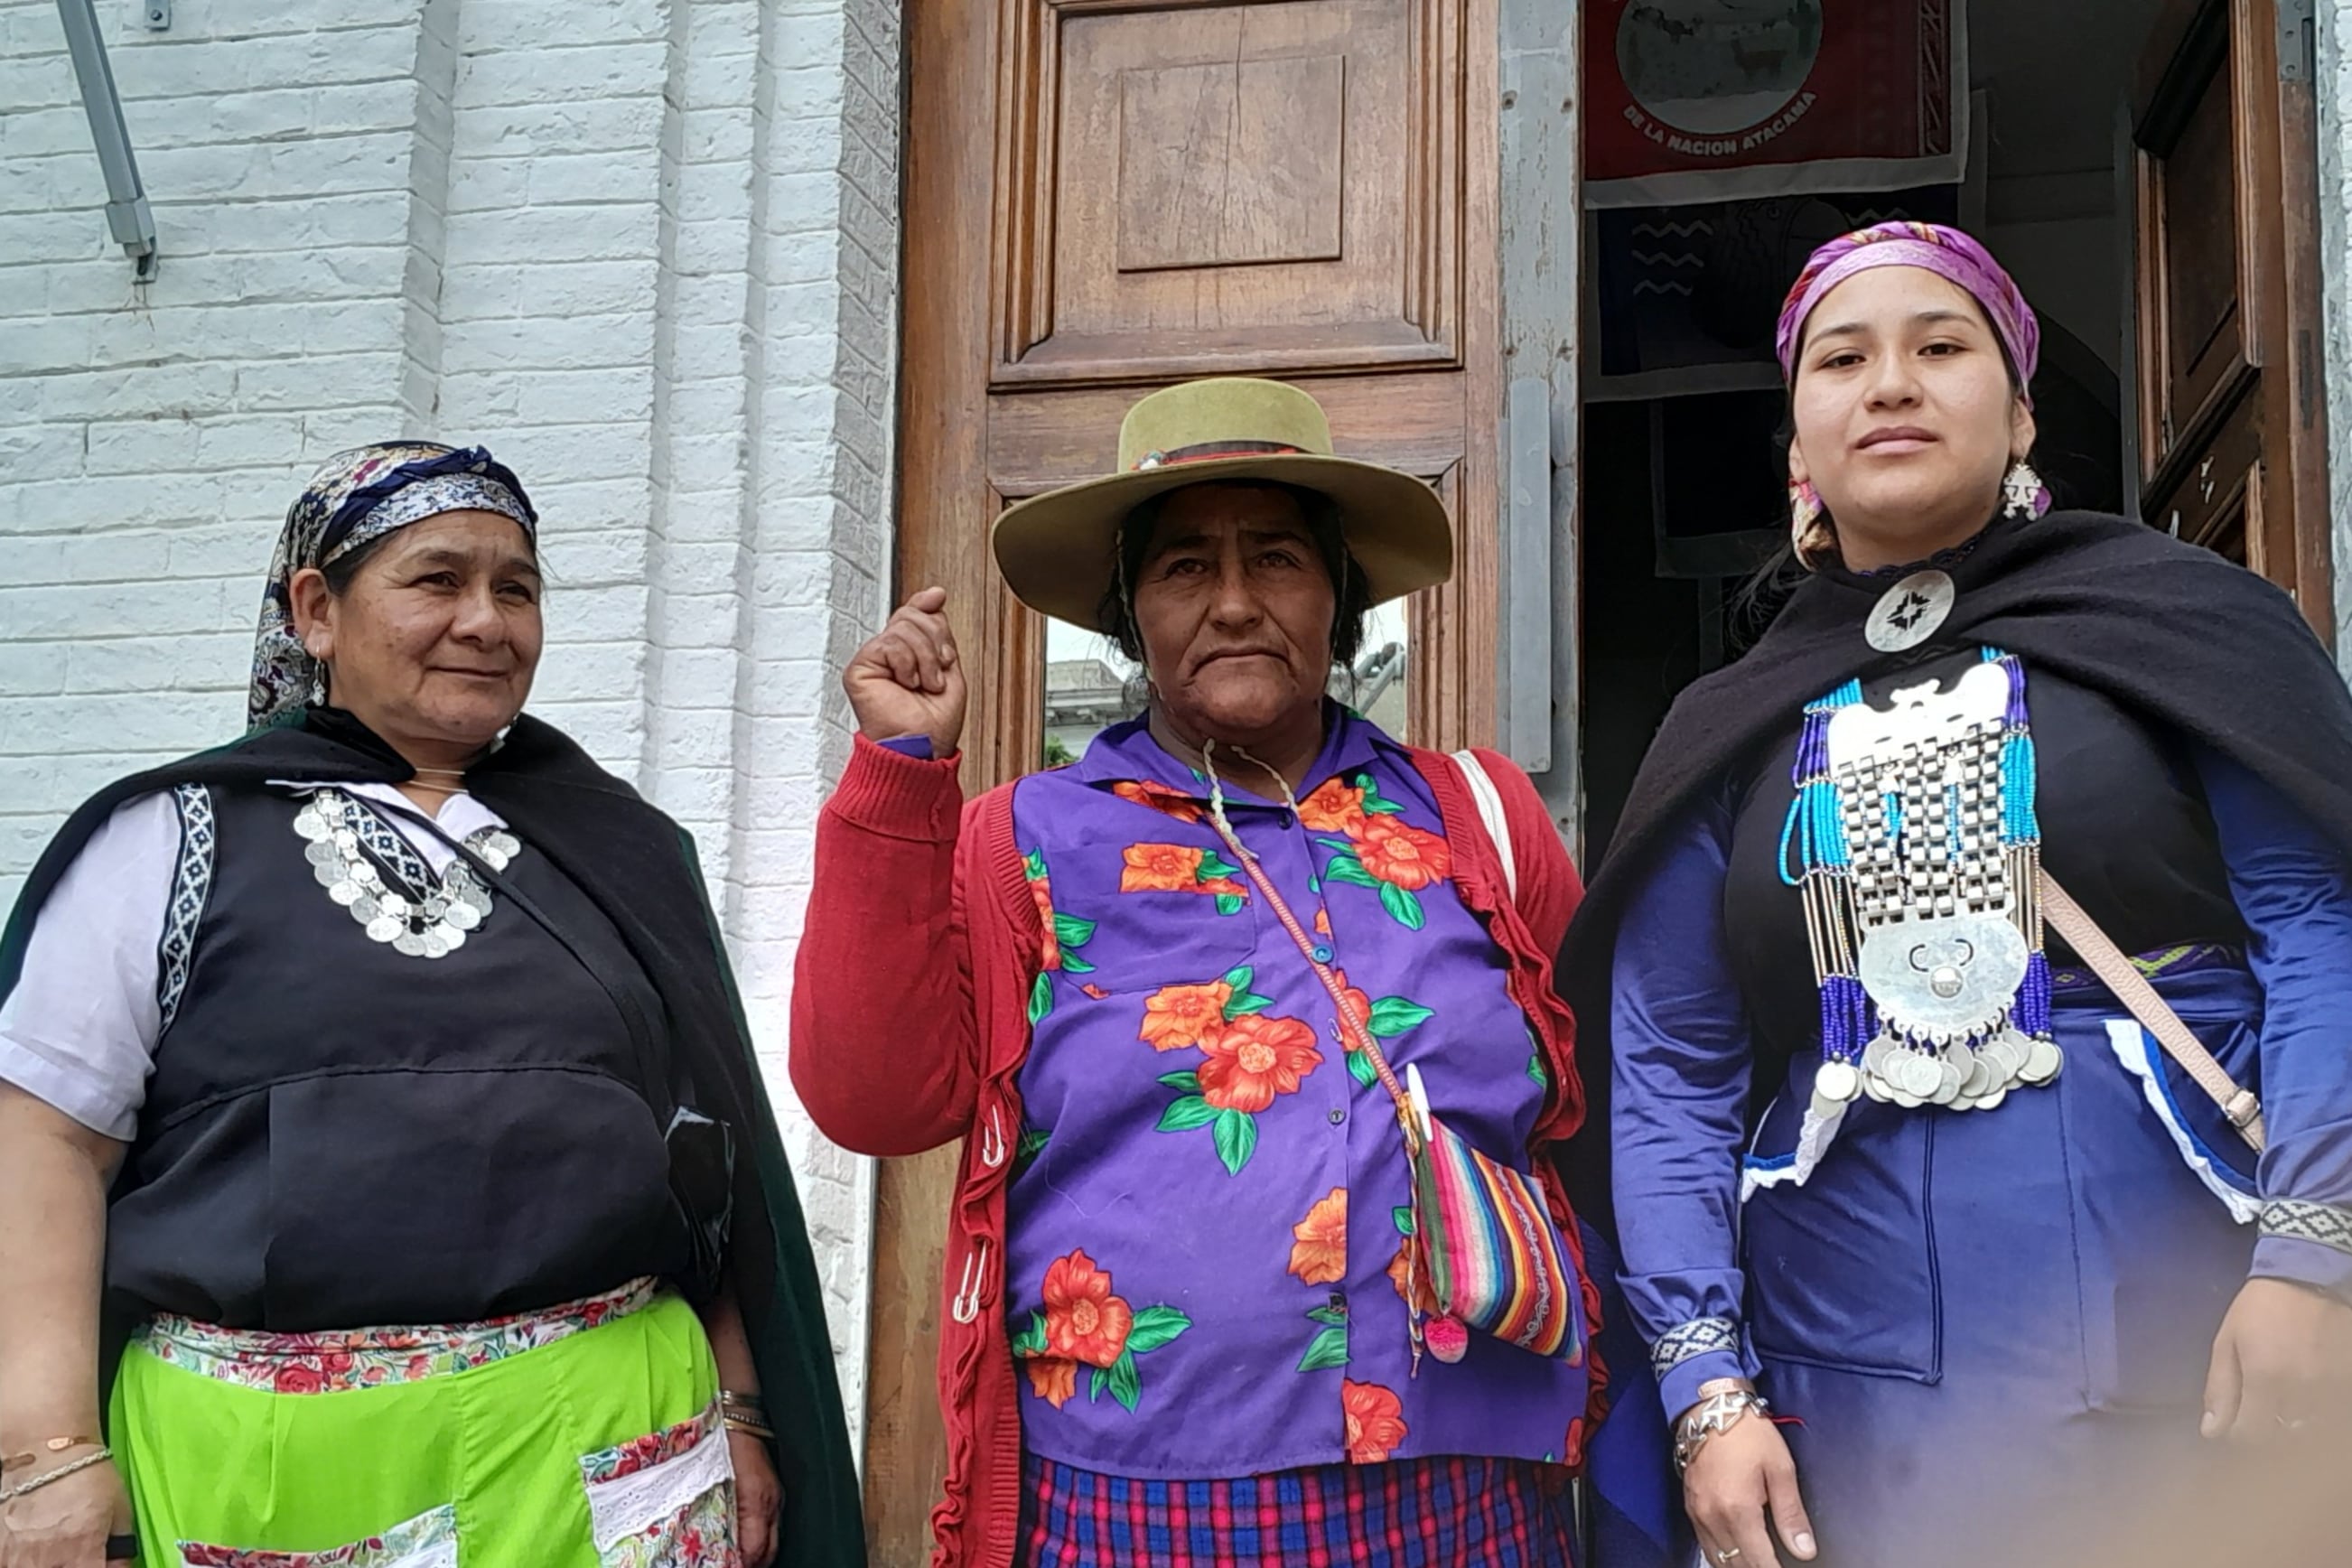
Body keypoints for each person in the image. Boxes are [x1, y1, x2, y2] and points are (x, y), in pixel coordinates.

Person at [1558, 222, 2352, 1568]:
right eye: (1843, 358)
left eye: (1941, 347)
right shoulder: (1734, 723)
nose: (1891, 384)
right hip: (1841, 1373)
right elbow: (1670, 1063)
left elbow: (2320, 928)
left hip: (2189, 1312)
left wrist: (2312, 1267)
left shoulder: (2184, 626)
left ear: (2023, 411)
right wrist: (1706, 1386)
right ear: (1799, 443)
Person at [793, 378, 1612, 1566]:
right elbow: (870, 1099)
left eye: (1277, 558)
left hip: (1466, 1478)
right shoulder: (1022, 839)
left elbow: (1599, 1108)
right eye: (1183, 569)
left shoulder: (1477, 817)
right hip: (1139, 1493)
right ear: (1131, 614)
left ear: (1340, 595)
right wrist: (898, 776)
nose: (1233, 602)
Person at [0, 443, 863, 1568]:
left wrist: (745, 1408)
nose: (486, 620)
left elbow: (710, 1163)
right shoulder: (170, 838)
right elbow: (47, 1144)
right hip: (278, 1473)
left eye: (517, 588)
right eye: (437, 579)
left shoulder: (623, 848)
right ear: (317, 608)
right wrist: (48, 1456)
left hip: (617, 1446)